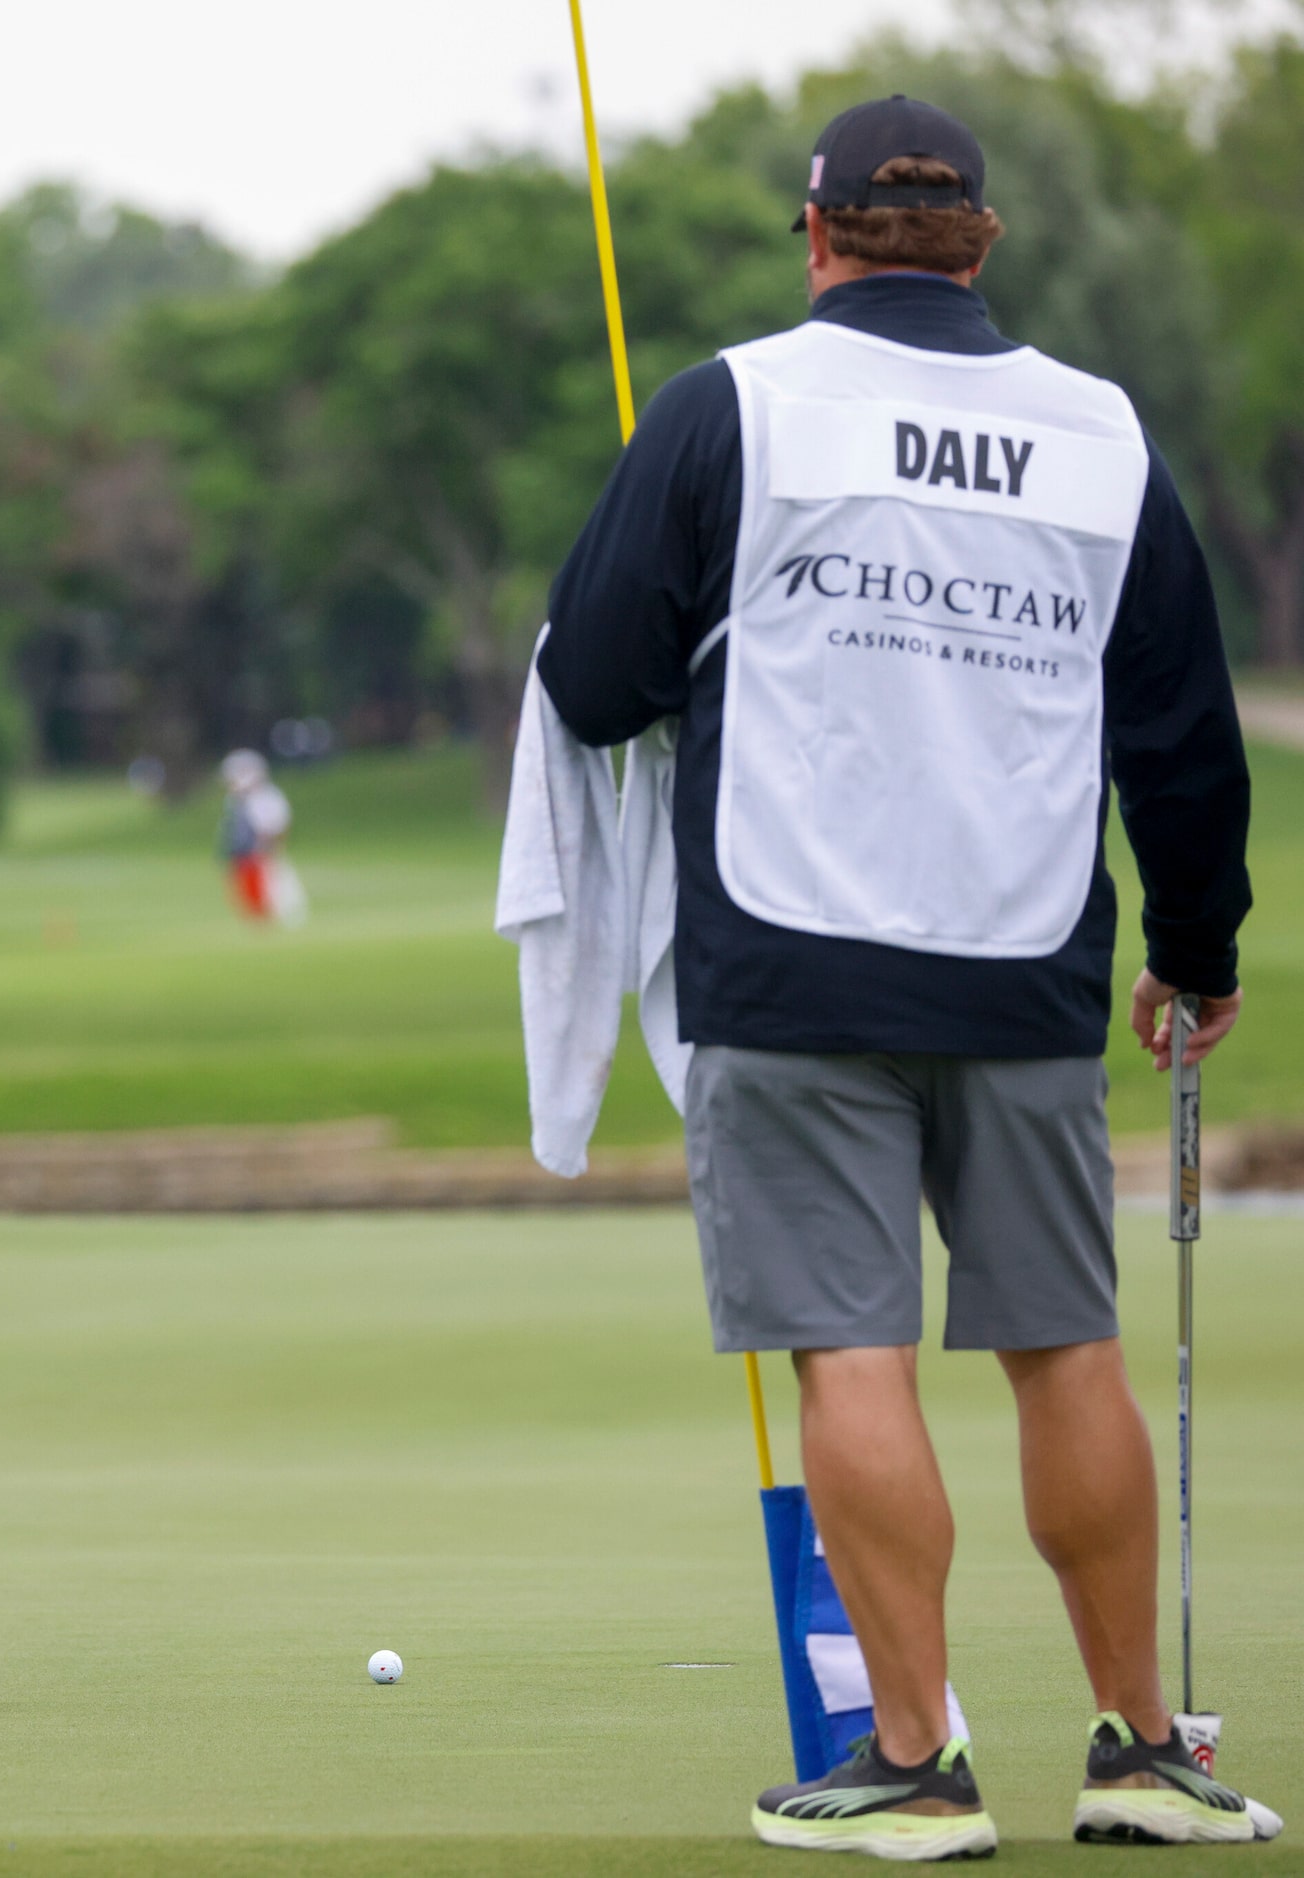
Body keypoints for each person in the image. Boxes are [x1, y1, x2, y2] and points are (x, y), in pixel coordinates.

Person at [537, 96, 1279, 1856]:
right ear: (983, 240)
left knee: (848, 1349)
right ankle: (1137, 1744)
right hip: (1021, 964)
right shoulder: (1098, 431)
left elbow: (589, 680)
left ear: (819, 235)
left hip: (788, 960)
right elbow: (1180, 727)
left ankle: (918, 1759)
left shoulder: (735, 403)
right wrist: (1195, 949)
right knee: (1062, 1345)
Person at [217, 747, 305, 927]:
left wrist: (270, 845)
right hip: (241, 849)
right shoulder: (235, 800)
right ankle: (255, 916)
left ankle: (273, 915)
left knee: (270, 883)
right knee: (243, 885)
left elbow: (275, 824)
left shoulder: (267, 796)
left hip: (259, 848)